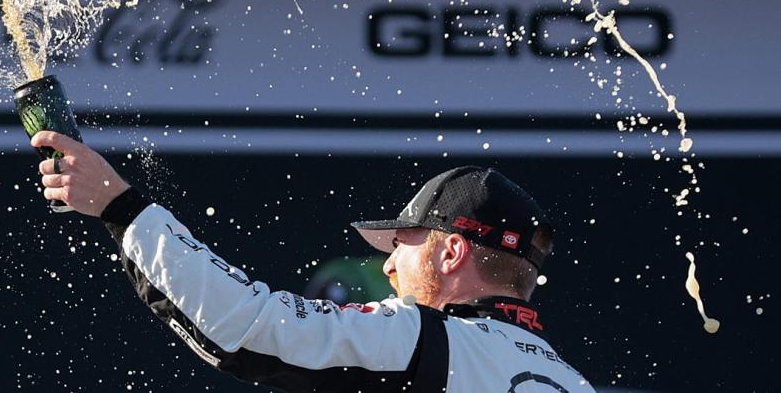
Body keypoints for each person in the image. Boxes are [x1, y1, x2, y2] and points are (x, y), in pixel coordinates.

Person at [31, 130, 596, 392]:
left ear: (451, 251)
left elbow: (244, 325)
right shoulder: (572, 382)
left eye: (403, 242)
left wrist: (120, 207)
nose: (390, 267)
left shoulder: (424, 339)